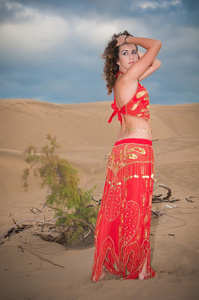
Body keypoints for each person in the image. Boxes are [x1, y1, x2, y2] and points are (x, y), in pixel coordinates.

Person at [91, 30, 162, 282]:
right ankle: (138, 269)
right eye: (126, 53)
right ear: (116, 60)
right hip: (137, 151)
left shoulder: (125, 80)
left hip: (123, 151)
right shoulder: (130, 77)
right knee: (138, 208)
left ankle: (125, 263)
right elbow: (157, 45)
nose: (132, 56)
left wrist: (129, 48)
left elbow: (156, 62)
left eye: (134, 53)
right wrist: (132, 40)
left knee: (123, 210)